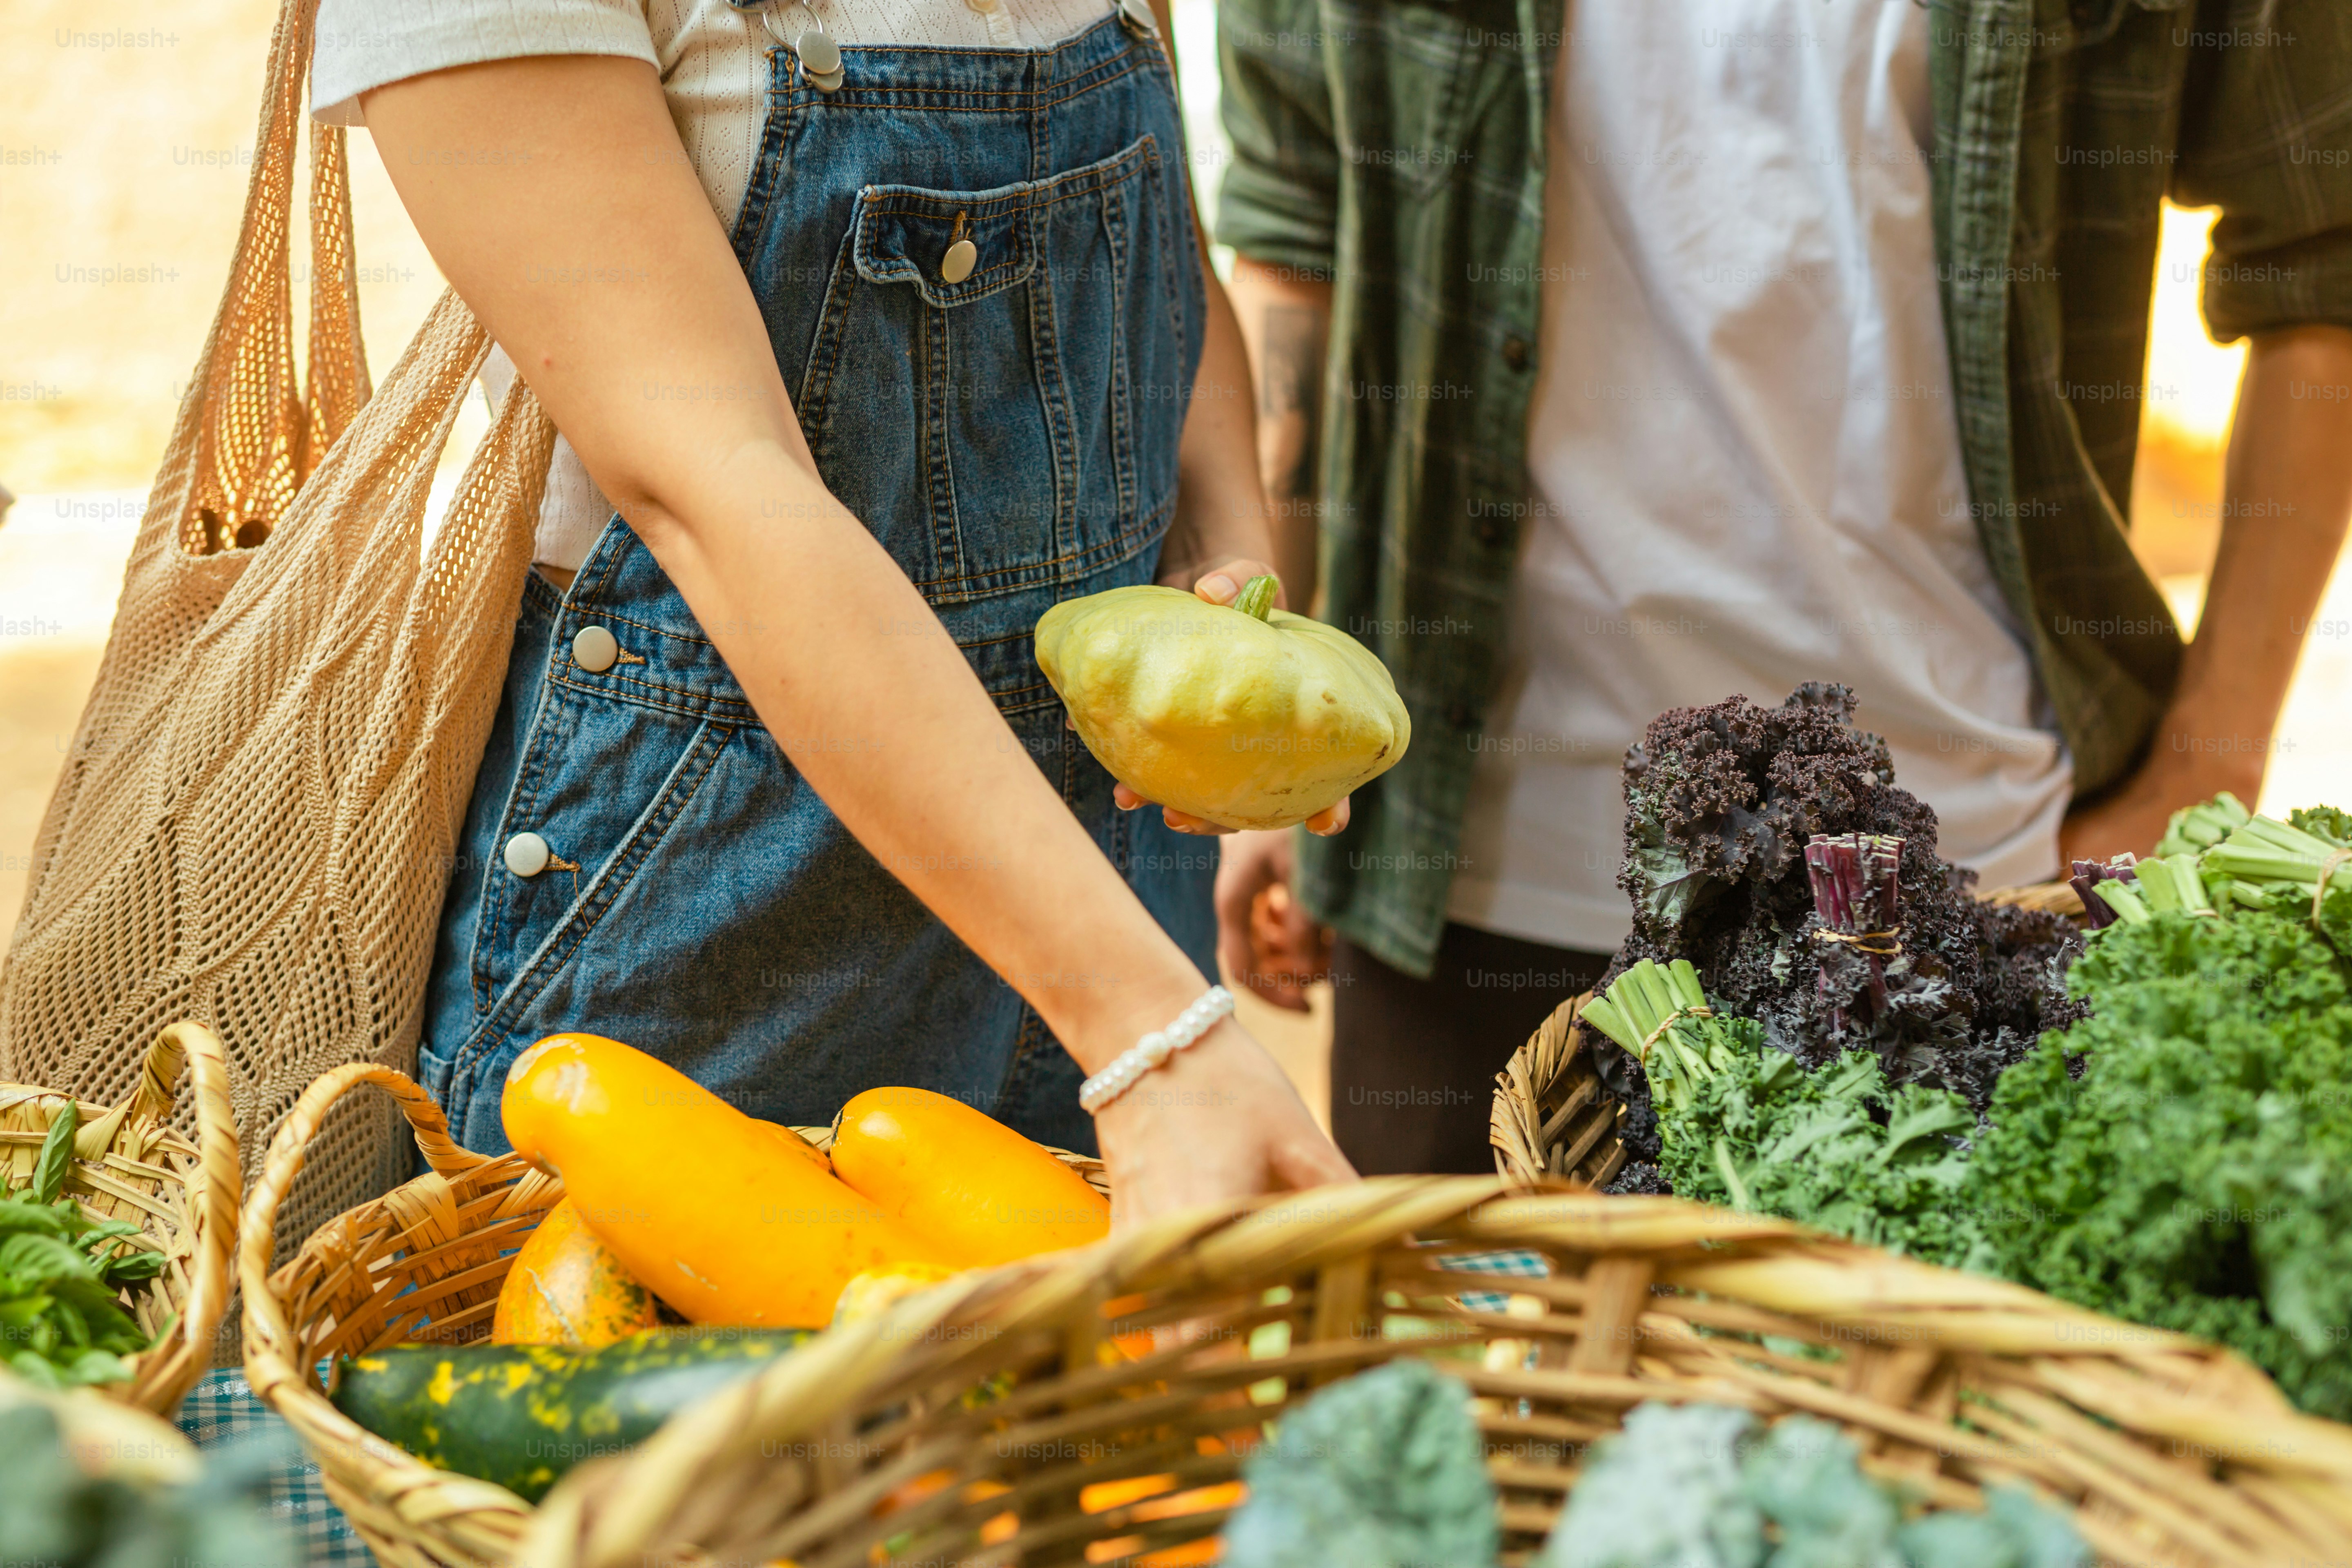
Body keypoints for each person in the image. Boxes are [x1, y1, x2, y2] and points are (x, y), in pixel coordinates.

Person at [1207, 0, 2352, 1175]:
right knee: (1443, 1358)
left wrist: (2209, 763)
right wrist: (1282, 718)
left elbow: (2320, 246)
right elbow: (1299, 233)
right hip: (1459, 872)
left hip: (1977, 883)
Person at [313, 0, 1355, 1224]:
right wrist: (1151, 1034)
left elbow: (1162, 247)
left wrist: (1230, 589)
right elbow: (715, 488)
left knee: (1093, 1414)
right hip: (714, 938)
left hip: (1115, 898)